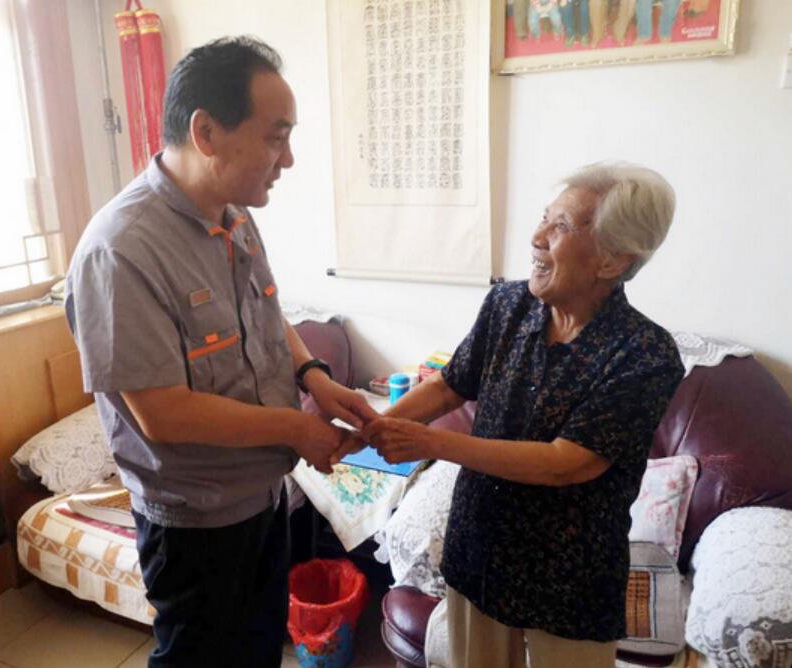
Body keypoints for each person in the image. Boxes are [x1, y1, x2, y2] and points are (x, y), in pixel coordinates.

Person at [65, 36, 376, 668]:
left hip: (264, 495)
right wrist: (296, 428)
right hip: (196, 525)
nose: (288, 159)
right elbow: (164, 413)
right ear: (206, 132)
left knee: (259, 651)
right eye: (275, 137)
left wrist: (314, 376)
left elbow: (265, 312)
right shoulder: (120, 250)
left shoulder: (233, 212)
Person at [338, 162, 685, 667]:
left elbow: (566, 462)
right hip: (479, 551)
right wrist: (373, 428)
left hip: (568, 578)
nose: (537, 237)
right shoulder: (507, 305)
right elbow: (450, 385)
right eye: (545, 218)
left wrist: (432, 443)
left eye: (560, 226)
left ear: (612, 260)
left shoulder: (645, 354)